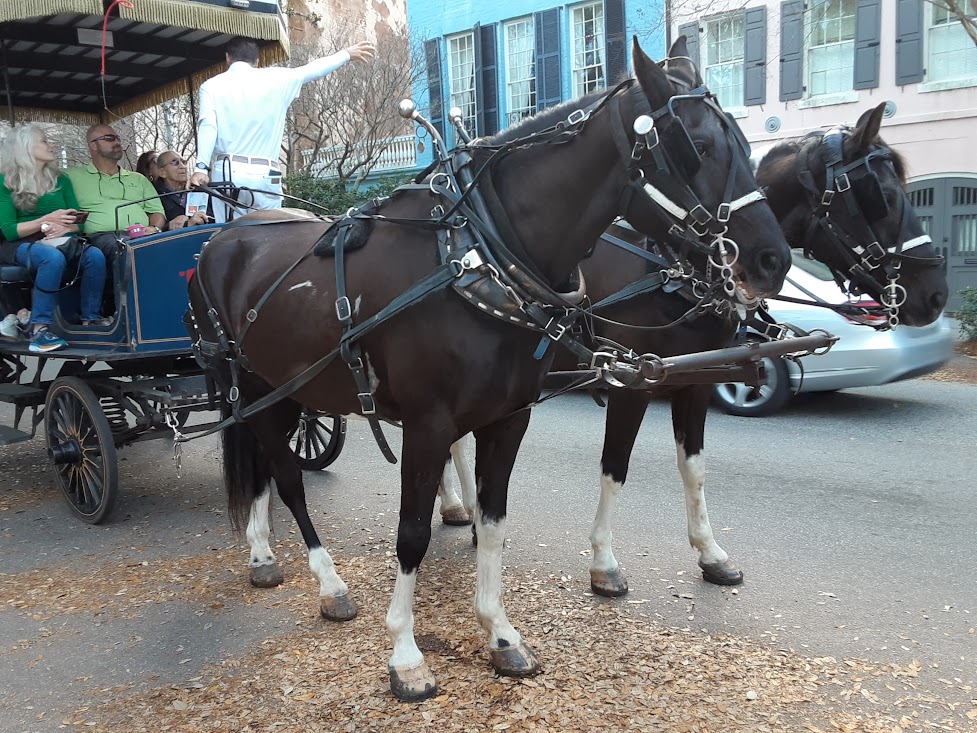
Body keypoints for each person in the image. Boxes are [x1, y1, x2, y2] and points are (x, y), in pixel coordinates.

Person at [189, 36, 375, 222]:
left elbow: (208, 125)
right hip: (267, 173)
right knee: (270, 235)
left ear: (228, 58)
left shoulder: (210, 86)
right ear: (257, 61)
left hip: (228, 171)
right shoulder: (278, 78)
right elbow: (314, 69)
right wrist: (346, 54)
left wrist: (201, 168)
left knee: (229, 237)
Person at [0, 125, 108, 352]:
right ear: (26, 148)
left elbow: (79, 219)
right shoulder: (5, 182)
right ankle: (39, 330)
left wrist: (68, 228)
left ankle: (91, 320)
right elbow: (9, 230)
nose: (52, 145)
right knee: (52, 258)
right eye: (45, 141)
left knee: (95, 256)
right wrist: (45, 221)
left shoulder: (61, 180)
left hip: (60, 238)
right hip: (18, 244)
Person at [153, 150, 209, 229]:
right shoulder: (155, 195)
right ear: (162, 172)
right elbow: (155, 228)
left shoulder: (197, 188)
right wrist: (169, 226)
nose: (183, 166)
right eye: (175, 162)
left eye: (184, 162)